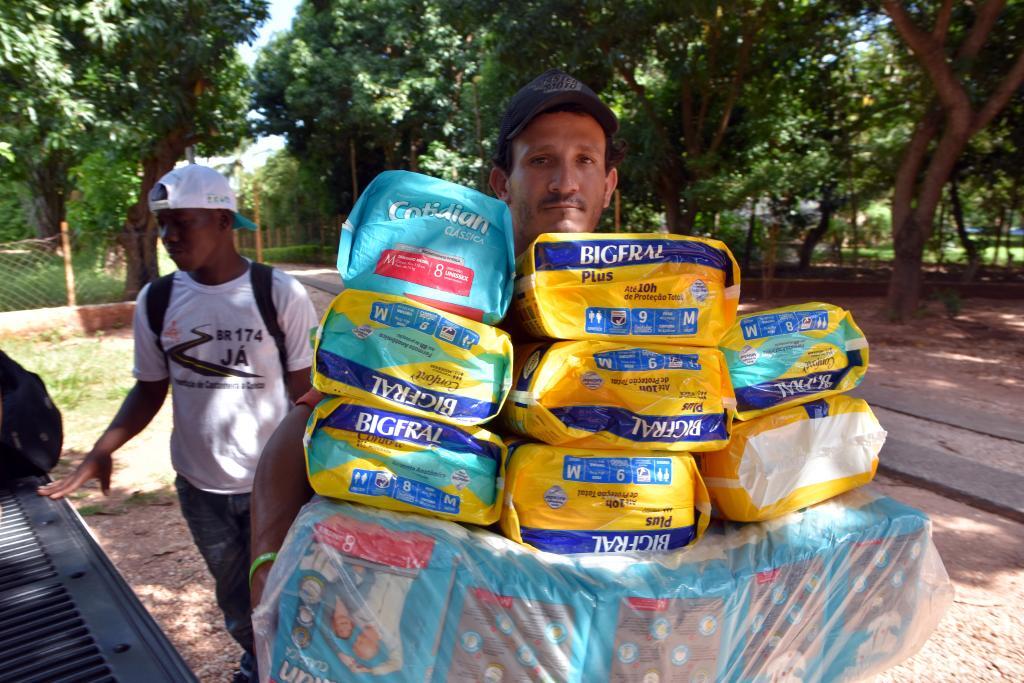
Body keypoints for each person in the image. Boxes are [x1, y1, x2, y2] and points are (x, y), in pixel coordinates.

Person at [249, 68, 624, 608]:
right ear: (502, 182)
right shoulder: (439, 298)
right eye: (541, 160)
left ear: (608, 184)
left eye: (585, 160)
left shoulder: (637, 314)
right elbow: (298, 433)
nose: (565, 183)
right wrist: (266, 564)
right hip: (423, 613)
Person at [38, 163, 319, 683]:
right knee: (236, 601)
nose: (169, 237)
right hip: (201, 489)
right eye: (163, 225)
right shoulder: (159, 300)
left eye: (183, 222)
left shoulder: (279, 294)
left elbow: (306, 396)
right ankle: (258, 664)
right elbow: (149, 388)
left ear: (222, 220)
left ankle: (285, 668)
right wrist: (103, 449)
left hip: (273, 486)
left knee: (290, 589)